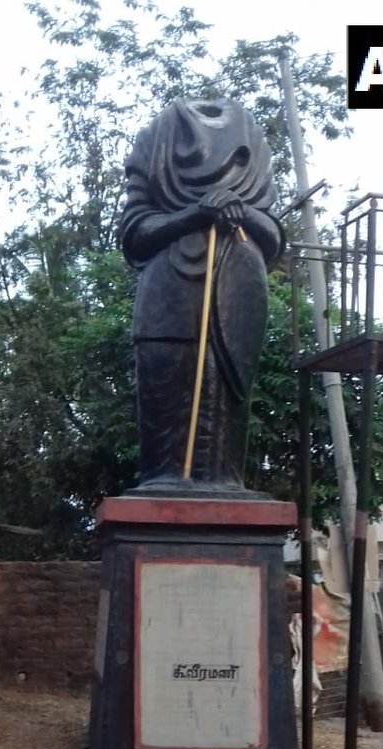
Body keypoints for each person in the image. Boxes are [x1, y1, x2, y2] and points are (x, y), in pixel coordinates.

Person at [120, 97, 285, 490]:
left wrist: (241, 210)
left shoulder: (254, 155)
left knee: (225, 407)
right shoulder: (154, 144)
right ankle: (164, 482)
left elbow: (275, 238)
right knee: (164, 416)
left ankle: (221, 485)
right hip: (167, 299)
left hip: (237, 294)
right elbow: (135, 236)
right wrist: (195, 213)